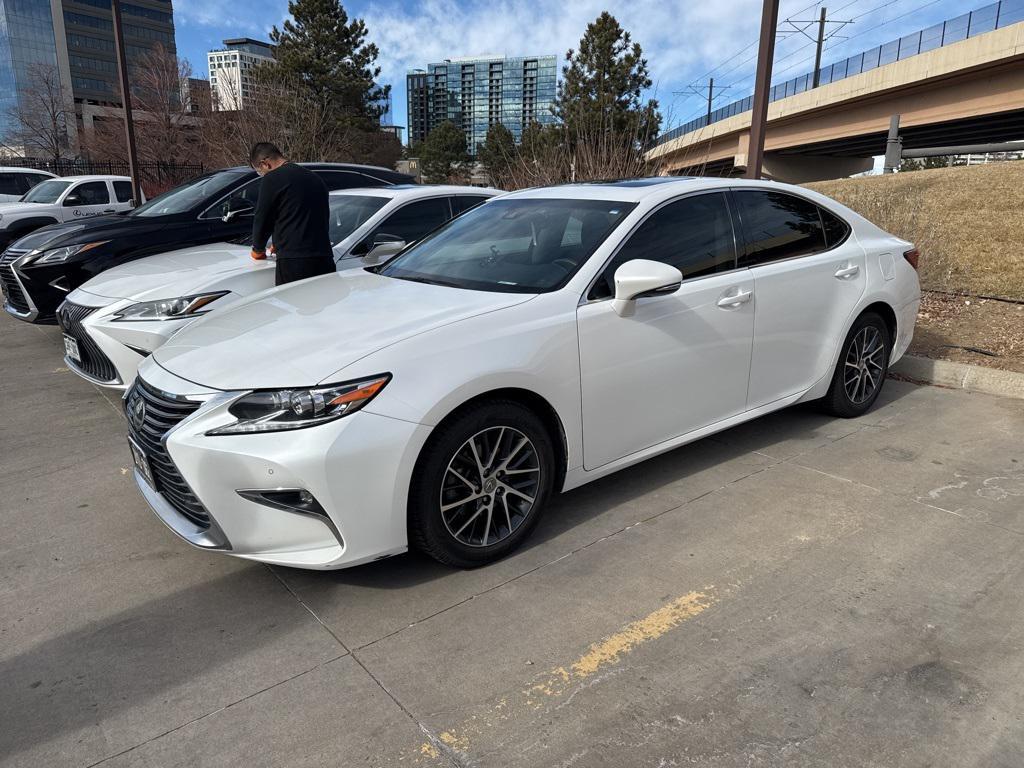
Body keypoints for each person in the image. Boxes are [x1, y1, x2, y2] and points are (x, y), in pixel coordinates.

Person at [249, 142, 334, 286]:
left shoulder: (272, 179)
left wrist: (258, 249)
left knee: (292, 305)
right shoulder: (315, 178)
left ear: (265, 164)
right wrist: (280, 241)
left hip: (295, 263)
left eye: (259, 171)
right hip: (324, 257)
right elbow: (306, 216)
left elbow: (263, 218)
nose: (261, 175)